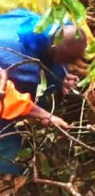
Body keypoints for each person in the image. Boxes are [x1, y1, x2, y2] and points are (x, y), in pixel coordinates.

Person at [0, 10, 86, 174]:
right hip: (4, 94)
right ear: (54, 50)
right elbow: (7, 98)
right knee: (11, 154)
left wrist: (61, 77)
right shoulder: (15, 58)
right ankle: (15, 174)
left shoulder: (43, 25)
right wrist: (45, 115)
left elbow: (48, 57)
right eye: (67, 60)